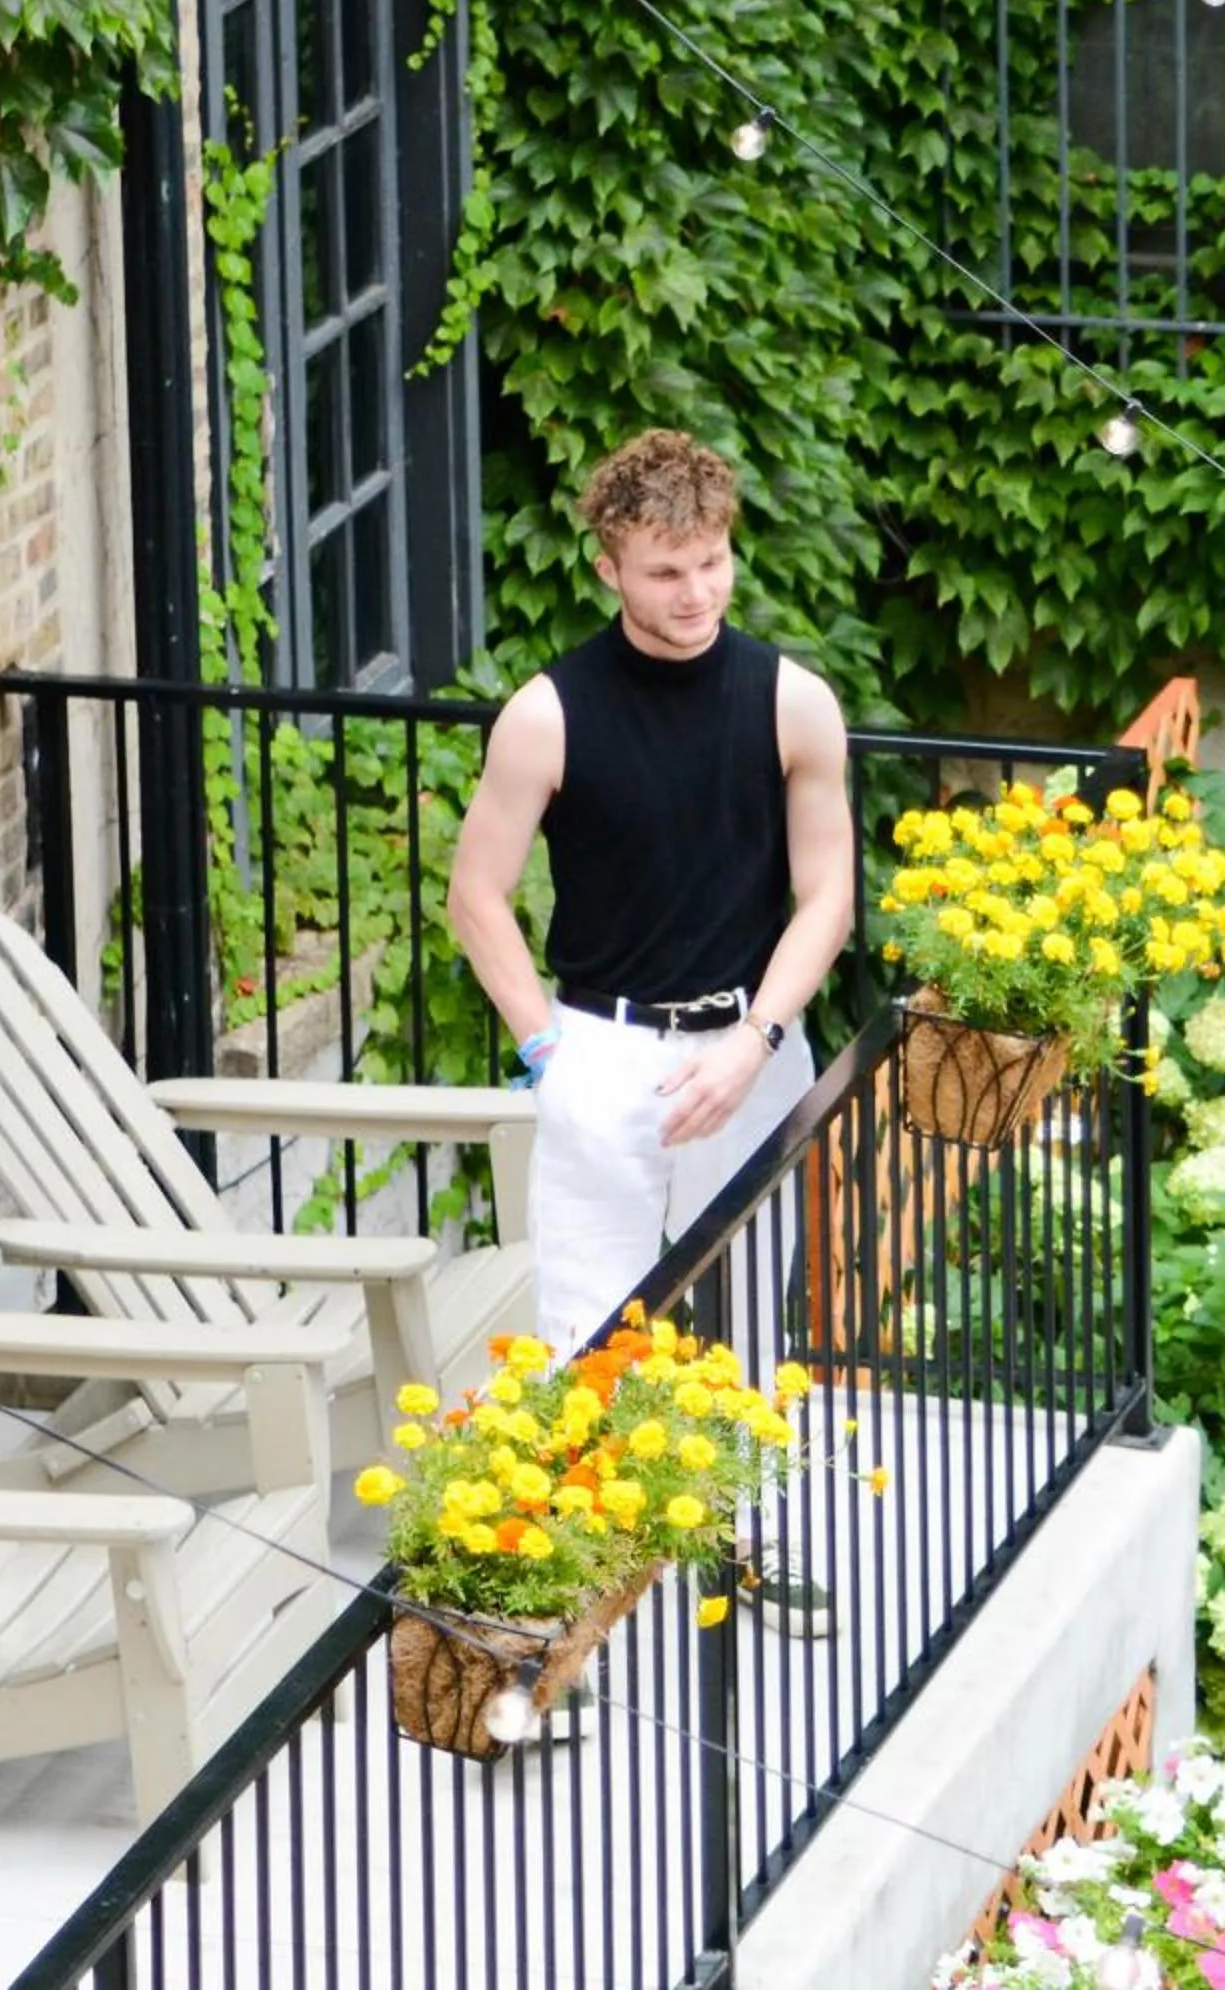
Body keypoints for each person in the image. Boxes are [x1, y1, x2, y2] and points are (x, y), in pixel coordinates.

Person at [447, 430, 854, 1635]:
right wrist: (547, 1053)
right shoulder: (546, 714)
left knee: (750, 1312)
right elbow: (477, 897)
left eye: (712, 563)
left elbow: (828, 896)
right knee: (587, 1330)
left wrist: (757, 1038)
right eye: (667, 571)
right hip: (602, 1046)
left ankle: (746, 1546)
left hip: (750, 1042)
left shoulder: (793, 702)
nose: (696, 593)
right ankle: (575, 1593)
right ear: (610, 566)